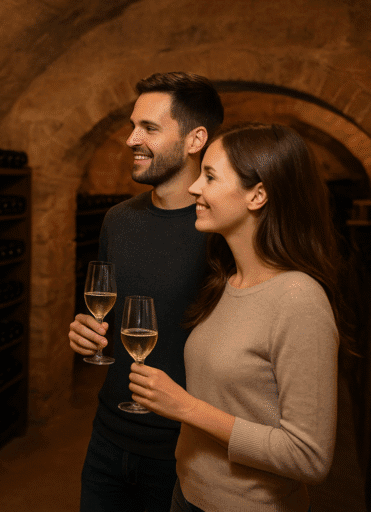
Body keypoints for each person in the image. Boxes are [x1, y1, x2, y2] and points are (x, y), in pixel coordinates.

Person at [128, 122, 354, 511]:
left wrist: (186, 407)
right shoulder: (226, 281)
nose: (194, 188)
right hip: (187, 494)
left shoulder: (299, 300)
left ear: (257, 195)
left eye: (210, 176)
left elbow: (309, 457)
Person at [68, 71, 224, 511]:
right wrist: (86, 332)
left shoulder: (221, 230)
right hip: (108, 437)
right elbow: (107, 318)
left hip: (185, 448)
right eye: (132, 126)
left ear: (195, 140)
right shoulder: (118, 219)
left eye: (149, 128)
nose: (131, 139)